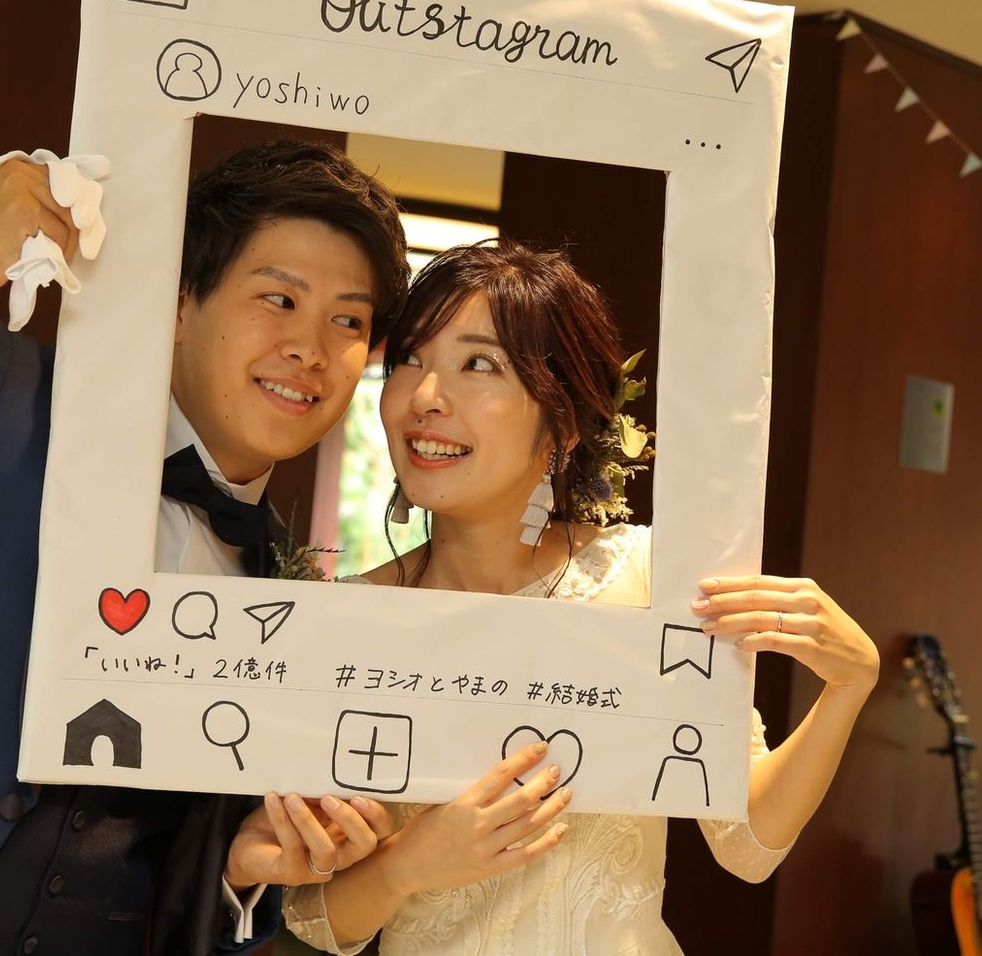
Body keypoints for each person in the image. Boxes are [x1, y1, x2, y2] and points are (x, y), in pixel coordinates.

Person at [0, 140, 409, 955]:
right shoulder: (4, 394)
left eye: (348, 321)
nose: (311, 349)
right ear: (179, 303)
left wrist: (240, 877)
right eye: (279, 299)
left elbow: (190, 891)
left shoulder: (288, 591)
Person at [282, 239, 879, 955]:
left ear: (562, 422)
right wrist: (411, 863)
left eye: (480, 364)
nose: (426, 397)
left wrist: (849, 686)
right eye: (410, 358)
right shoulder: (352, 617)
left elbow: (747, 844)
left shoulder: (648, 578)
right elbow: (312, 917)